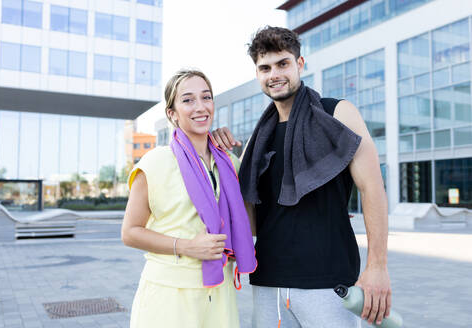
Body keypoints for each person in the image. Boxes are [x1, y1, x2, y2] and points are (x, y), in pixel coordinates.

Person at [211, 26, 391, 328]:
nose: (274, 74)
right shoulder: (258, 139)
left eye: (283, 63)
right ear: (257, 74)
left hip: (328, 283)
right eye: (265, 68)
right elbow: (248, 216)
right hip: (267, 282)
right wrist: (213, 148)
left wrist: (377, 267)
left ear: (300, 64)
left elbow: (372, 188)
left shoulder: (337, 112)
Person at [121, 68, 256, 328]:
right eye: (187, 100)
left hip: (220, 292)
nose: (200, 107)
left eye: (206, 97)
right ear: (172, 114)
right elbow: (129, 233)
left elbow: (251, 222)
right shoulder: (156, 161)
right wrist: (186, 246)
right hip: (169, 295)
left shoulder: (230, 163)